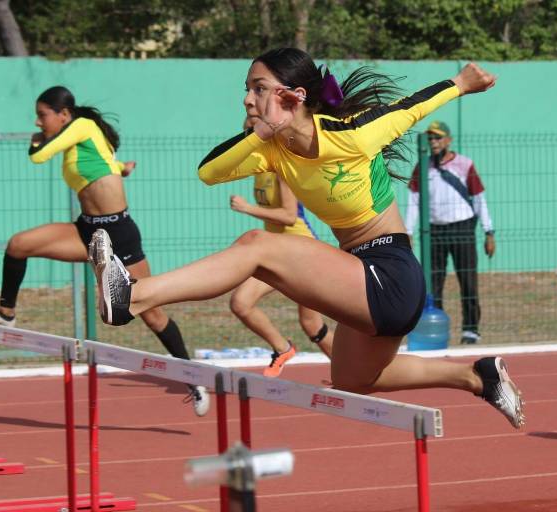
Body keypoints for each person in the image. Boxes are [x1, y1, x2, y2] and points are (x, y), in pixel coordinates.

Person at [87, 48, 524, 429]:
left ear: (293, 96)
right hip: (358, 274)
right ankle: (477, 377)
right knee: (354, 379)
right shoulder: (270, 150)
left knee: (257, 247)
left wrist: (462, 82)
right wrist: (257, 133)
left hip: (390, 272)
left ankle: (133, 296)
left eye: (258, 88)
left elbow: (410, 108)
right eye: (247, 88)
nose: (246, 98)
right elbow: (209, 173)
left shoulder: (350, 132)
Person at [0, 86, 209, 416]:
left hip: (117, 233)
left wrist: (36, 142)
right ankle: (5, 313)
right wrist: (122, 168)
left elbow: (38, 156)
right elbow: (105, 162)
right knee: (18, 245)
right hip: (87, 231)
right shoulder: (81, 139)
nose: (38, 122)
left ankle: (191, 375)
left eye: (43, 115)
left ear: (63, 115)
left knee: (149, 313)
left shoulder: (80, 126)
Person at [228, 116, 333, 377]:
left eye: (252, 132)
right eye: (245, 132)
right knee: (241, 303)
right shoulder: (259, 167)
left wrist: (247, 208)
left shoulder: (282, 166)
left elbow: (288, 215)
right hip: (277, 251)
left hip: (301, 251)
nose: (247, 138)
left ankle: (351, 374)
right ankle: (282, 347)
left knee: (311, 323)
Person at [404, 121, 495, 344]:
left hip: (462, 228)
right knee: (433, 282)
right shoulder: (422, 166)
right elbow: (414, 200)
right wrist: (408, 231)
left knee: (468, 279)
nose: (433, 142)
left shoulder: (465, 164)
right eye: (430, 138)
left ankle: (471, 330)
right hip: (434, 231)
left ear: (448, 140)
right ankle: (438, 328)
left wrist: (489, 231)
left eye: (438, 138)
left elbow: (479, 198)